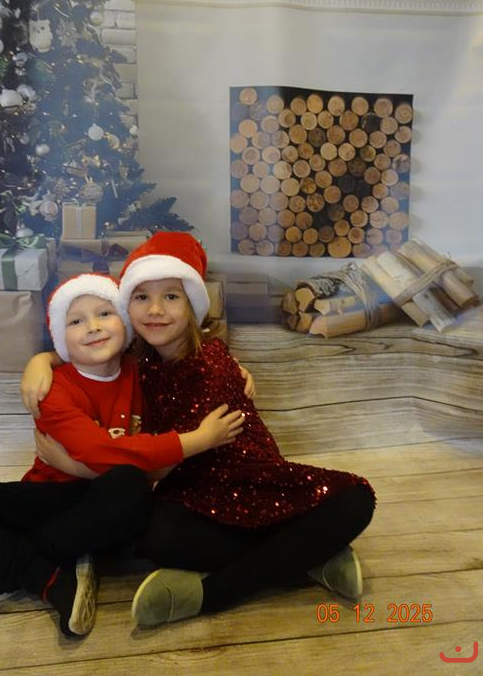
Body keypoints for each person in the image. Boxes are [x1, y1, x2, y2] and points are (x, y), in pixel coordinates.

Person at [33, 233, 376, 628]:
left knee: (356, 499)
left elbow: (158, 464)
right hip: (191, 490)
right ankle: (310, 555)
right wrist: (43, 360)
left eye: (171, 297)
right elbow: (88, 351)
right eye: (142, 297)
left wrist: (73, 467)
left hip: (247, 479)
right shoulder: (140, 360)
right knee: (157, 539)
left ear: (192, 306)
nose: (155, 309)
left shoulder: (207, 366)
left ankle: (214, 593)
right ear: (127, 308)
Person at [0, 273, 244, 638]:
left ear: (125, 323)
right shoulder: (53, 389)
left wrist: (235, 370)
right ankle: (49, 575)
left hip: (109, 505)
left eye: (105, 314)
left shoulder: (143, 373)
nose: (93, 327)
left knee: (128, 484)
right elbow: (98, 451)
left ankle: (15, 563)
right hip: (47, 496)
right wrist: (196, 441)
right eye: (76, 321)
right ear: (60, 337)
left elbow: (189, 369)